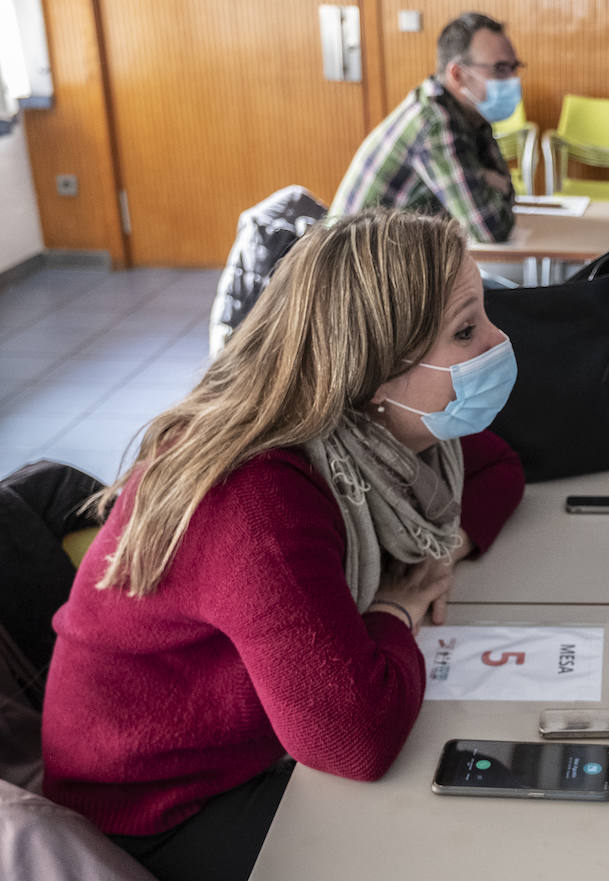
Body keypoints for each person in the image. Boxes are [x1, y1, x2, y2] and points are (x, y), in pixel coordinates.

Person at [41, 210, 525, 881]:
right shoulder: (259, 497)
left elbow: (499, 467)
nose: (499, 341)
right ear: (374, 371)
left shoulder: (367, 425)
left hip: (252, 746)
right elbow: (355, 738)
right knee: (446, 846)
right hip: (157, 808)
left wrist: (441, 551)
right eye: (466, 330)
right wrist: (397, 606)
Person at [331, 13, 520, 243]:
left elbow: (505, 193)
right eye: (500, 68)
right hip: (358, 271)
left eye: (514, 67)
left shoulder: (472, 115)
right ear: (457, 74)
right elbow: (490, 229)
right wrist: (483, 177)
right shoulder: (435, 122)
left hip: (394, 261)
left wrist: (482, 179)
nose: (512, 79)